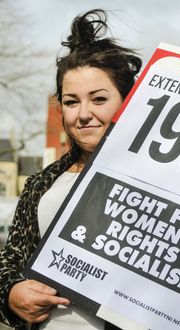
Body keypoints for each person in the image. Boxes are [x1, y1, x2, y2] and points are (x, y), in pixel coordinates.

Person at [0, 9, 142, 330]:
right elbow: (10, 260)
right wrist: (11, 292)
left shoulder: (159, 183)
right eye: (72, 101)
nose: (84, 114)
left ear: (126, 102)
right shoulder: (41, 183)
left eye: (99, 99)